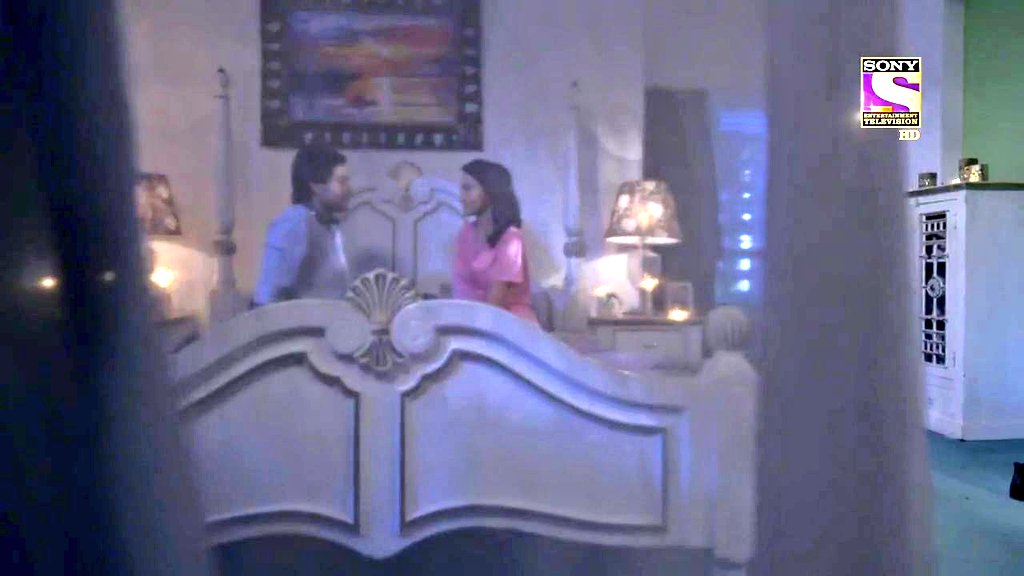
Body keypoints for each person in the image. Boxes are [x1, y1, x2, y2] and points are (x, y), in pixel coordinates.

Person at [252, 144, 353, 306]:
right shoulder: (294, 223)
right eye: (342, 182)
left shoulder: (330, 227)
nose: (350, 190)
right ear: (316, 186)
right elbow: (267, 297)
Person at [452, 159, 539, 325]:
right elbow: (461, 288)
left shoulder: (511, 238)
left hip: (509, 318)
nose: (461, 197)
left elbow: (496, 302)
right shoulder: (466, 233)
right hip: (473, 316)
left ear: (490, 191)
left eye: (468, 189)